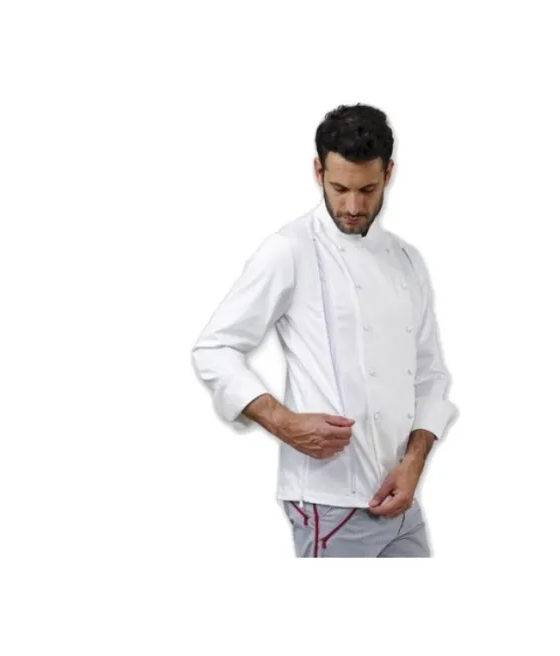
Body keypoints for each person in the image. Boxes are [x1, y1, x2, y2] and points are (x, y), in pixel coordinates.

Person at [191, 103, 458, 557]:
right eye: (339, 189)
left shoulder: (407, 261)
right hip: (329, 502)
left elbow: (430, 375)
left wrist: (413, 463)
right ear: (318, 172)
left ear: (389, 173)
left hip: (401, 502)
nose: (353, 206)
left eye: (367, 190)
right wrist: (284, 423)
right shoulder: (290, 249)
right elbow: (214, 349)